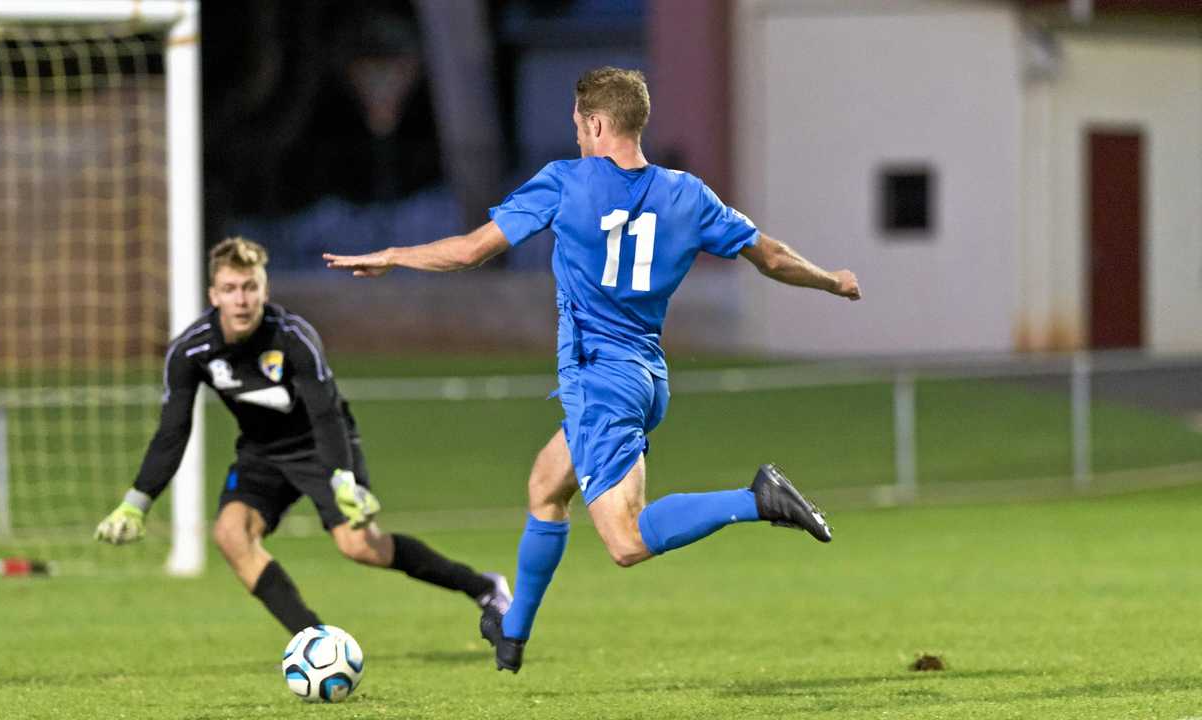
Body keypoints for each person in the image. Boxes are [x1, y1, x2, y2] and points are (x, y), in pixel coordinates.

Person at [322, 67, 861, 673]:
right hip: (645, 377)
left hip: (599, 380)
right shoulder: (688, 194)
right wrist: (831, 281)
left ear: (597, 123)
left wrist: (394, 256)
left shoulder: (565, 183)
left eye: (579, 127)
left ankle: (755, 499)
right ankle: (512, 632)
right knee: (547, 487)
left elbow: (473, 250)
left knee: (626, 543)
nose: (576, 138)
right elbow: (771, 257)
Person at [95, 237, 511, 638]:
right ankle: (313, 639)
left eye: (249, 288)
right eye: (230, 289)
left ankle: (483, 587)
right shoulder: (191, 351)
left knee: (360, 546)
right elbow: (174, 430)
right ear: (214, 295)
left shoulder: (292, 337)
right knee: (230, 534)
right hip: (261, 454)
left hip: (320, 446)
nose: (240, 300)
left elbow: (326, 413)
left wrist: (342, 477)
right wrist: (137, 502)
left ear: (264, 289)